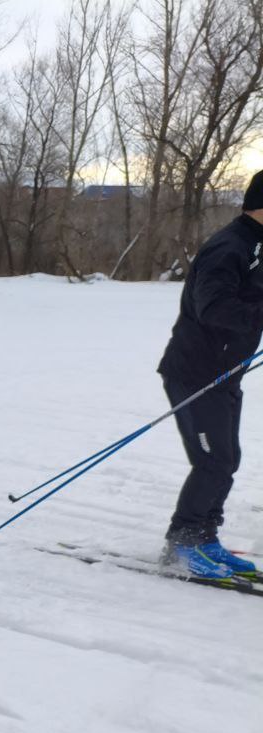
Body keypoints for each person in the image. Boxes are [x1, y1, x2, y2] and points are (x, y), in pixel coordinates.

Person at [156, 169, 263, 579]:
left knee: (227, 459)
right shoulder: (229, 247)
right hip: (196, 373)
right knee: (213, 461)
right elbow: (213, 307)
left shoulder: (257, 243)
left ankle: (204, 536)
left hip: (226, 371)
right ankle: (182, 543)